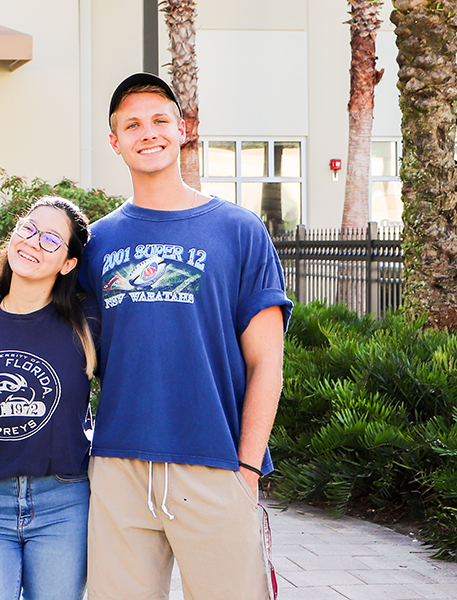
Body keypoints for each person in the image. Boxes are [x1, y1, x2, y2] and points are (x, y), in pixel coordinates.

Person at [81, 72, 290, 599]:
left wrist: (245, 469)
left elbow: (267, 361)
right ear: (115, 142)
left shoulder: (239, 230)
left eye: (158, 120)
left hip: (215, 464)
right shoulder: (99, 240)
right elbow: (72, 349)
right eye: (131, 125)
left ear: (183, 129)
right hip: (118, 468)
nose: (146, 132)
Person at [0, 197, 96, 600]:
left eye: (50, 239)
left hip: (63, 500)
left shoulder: (87, 322)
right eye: (28, 228)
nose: (33, 242)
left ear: (68, 263)